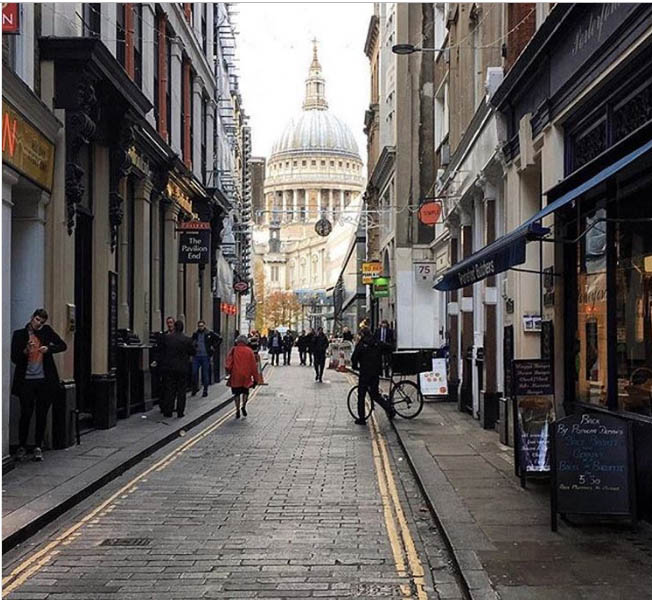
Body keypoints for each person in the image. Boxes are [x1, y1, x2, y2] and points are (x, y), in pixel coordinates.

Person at [11, 308, 67, 461]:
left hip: (44, 381)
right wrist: (25, 350)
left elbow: (63, 345)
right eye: (37, 320)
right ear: (32, 318)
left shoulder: (47, 332)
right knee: (26, 414)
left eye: (41, 322)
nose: (38, 324)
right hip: (26, 381)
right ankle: (21, 446)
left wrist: (48, 349)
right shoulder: (19, 335)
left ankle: (37, 446)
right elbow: (14, 358)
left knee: (42, 415)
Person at [351, 325, 396, 425]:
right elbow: (390, 348)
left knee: (361, 395)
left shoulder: (361, 344)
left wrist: (355, 366)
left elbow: (354, 358)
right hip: (375, 373)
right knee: (375, 394)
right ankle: (390, 410)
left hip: (364, 373)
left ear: (362, 334)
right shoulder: (377, 342)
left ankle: (362, 418)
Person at [160, 320, 195, 418]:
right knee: (181, 391)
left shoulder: (167, 338)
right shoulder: (187, 340)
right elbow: (193, 352)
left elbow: (162, 351)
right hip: (182, 368)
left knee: (169, 390)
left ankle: (168, 411)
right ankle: (180, 412)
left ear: (174, 327)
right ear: (183, 328)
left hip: (169, 368)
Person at [226, 335, 261, 419]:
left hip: (236, 375)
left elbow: (228, 363)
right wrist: (256, 379)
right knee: (245, 392)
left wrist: (229, 372)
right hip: (246, 375)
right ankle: (244, 406)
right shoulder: (249, 351)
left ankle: (237, 409)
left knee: (236, 393)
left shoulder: (234, 350)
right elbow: (253, 366)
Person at [191, 320, 221, 397]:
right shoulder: (195, 334)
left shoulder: (209, 333)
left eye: (202, 326)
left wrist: (213, 347)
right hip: (196, 356)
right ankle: (194, 388)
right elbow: (191, 342)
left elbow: (219, 339)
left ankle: (205, 390)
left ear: (204, 326)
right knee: (194, 373)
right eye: (199, 326)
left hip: (205, 356)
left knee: (205, 373)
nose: (200, 327)